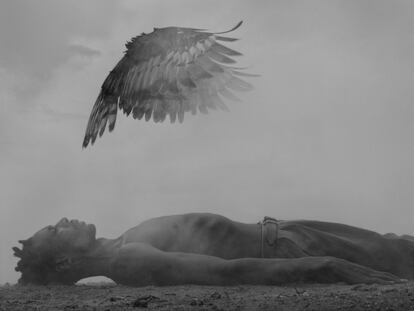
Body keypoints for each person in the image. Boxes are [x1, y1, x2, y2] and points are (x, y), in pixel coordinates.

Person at [13, 213, 413, 286]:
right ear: (64, 259)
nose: (64, 219)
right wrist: (323, 265)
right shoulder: (129, 258)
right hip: (287, 248)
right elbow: (227, 273)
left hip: (287, 234)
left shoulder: (123, 243)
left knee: (396, 247)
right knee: (397, 252)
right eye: (55, 229)